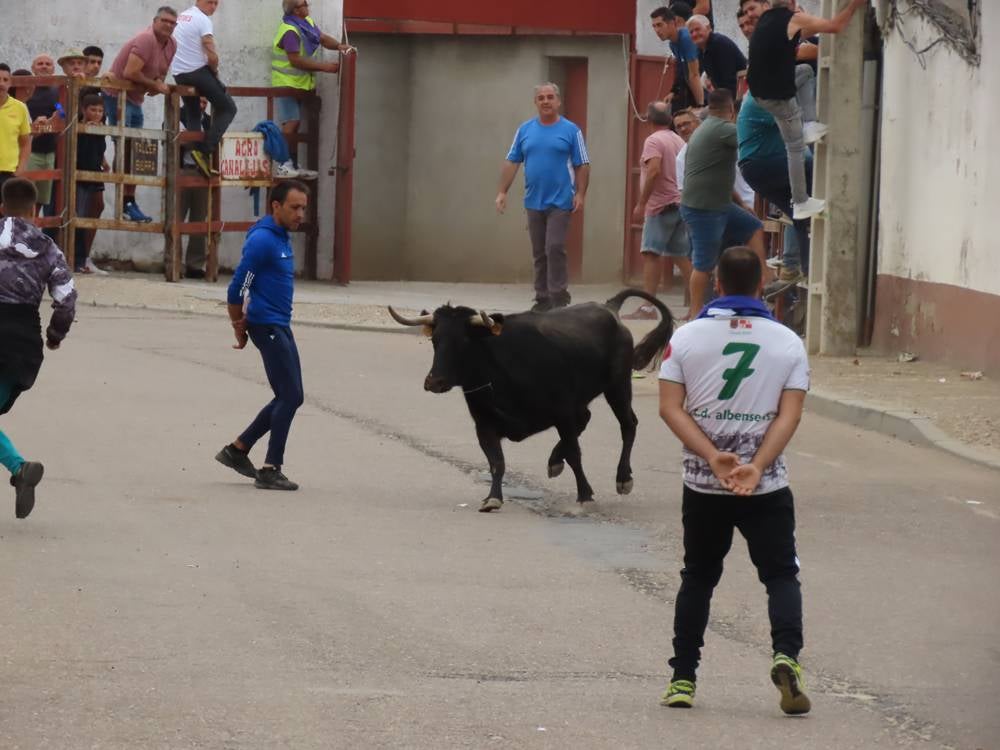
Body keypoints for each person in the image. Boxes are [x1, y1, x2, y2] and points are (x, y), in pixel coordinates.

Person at [657, 245, 810, 714]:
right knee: (781, 575)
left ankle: (683, 679)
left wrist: (712, 456)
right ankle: (786, 655)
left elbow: (669, 407)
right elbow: (789, 417)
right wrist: (757, 465)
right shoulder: (787, 342)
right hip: (765, 486)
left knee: (698, 577)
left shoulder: (684, 339)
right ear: (761, 284)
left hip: (705, 484)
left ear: (717, 283)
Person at [216, 180, 309, 491]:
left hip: (279, 324)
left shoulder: (281, 237)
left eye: (303, 208)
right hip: (266, 326)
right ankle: (270, 468)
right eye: (295, 207)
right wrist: (237, 324)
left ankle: (238, 449)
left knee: (291, 395)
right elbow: (239, 287)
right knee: (290, 395)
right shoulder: (263, 242)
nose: (300, 214)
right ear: (276, 206)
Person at [747, 0, 868, 219]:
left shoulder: (766, 19)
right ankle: (801, 202)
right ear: (793, 3)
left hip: (760, 92)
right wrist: (853, 6)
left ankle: (810, 124)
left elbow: (798, 36)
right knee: (794, 147)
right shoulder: (793, 18)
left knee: (804, 72)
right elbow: (835, 27)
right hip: (778, 96)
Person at [0, 177, 77, 519]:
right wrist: (54, 336)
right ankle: (19, 470)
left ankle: (19, 467)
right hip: (23, 345)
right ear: (35, 211)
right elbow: (66, 300)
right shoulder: (48, 249)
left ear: (2, 207)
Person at [496, 82, 590, 311]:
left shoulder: (571, 131)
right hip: (533, 201)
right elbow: (512, 161)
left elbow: (583, 164)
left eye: (550, 97)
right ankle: (542, 298)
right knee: (539, 252)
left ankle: (558, 294)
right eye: (541, 98)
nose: (546, 101)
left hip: (561, 201)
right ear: (536, 103)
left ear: (558, 101)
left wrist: (580, 193)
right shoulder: (525, 130)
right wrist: (502, 191)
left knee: (554, 246)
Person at [679, 91, 765, 319]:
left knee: (753, 226)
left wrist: (740, 204)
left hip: (717, 204)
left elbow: (720, 176)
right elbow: (751, 141)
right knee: (703, 265)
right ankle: (696, 315)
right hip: (705, 208)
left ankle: (762, 287)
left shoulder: (705, 129)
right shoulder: (723, 129)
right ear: (731, 110)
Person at [103, 6, 178, 223]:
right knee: (124, 146)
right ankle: (122, 200)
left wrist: (156, 85)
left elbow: (159, 77)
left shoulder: (172, 44)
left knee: (136, 150)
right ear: (155, 21)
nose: (168, 26)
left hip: (135, 99)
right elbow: (129, 72)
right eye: (164, 21)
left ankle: (129, 202)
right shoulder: (146, 39)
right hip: (117, 96)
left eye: (173, 23)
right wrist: (154, 84)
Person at [738, 91, 812, 290]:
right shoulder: (761, 99)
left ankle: (803, 268)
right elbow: (793, 121)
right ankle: (798, 265)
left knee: (799, 214)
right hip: (763, 164)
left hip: (756, 169)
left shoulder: (753, 99)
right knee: (810, 165)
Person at [271, 0, 353, 177]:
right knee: (291, 123)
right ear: (295, 10)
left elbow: (322, 38)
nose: (308, 7)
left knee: (295, 123)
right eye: (304, 4)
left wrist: (339, 46)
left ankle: (291, 163)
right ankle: (283, 164)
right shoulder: (290, 30)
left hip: (298, 84)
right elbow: (295, 60)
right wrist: (325, 67)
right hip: (286, 83)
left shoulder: (306, 24)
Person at [627, 101, 690, 320]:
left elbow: (653, 171)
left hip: (660, 205)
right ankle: (700, 303)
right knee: (682, 256)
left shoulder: (653, 140)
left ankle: (647, 308)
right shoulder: (678, 139)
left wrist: (642, 202)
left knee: (651, 254)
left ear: (648, 119)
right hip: (679, 203)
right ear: (670, 119)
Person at [171, 0, 238, 178]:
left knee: (193, 112)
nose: (213, 7)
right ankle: (205, 150)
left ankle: (194, 157)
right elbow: (211, 55)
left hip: (179, 73)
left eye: (216, 3)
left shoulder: (183, 16)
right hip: (196, 72)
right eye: (210, 2)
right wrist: (214, 72)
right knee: (229, 108)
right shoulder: (203, 20)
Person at [74, 93, 110, 274]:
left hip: (95, 173)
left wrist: (104, 161)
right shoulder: (79, 127)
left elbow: (99, 149)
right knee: (80, 215)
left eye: (100, 110)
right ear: (83, 110)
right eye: (93, 110)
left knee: (96, 208)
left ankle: (84, 258)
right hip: (81, 174)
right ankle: (78, 259)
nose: (97, 114)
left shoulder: (102, 128)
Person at [25, 55, 60, 217]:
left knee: (41, 199)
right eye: (40, 64)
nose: (44, 67)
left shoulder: (57, 92)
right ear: (33, 68)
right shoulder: (27, 91)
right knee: (26, 198)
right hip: (30, 152)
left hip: (50, 154)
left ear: (53, 69)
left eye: (48, 64)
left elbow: (62, 111)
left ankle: (31, 235)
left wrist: (57, 116)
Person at [650, 7, 704, 113]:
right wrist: (674, 91)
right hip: (693, 84)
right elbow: (681, 69)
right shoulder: (673, 44)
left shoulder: (686, 38)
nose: (657, 30)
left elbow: (694, 75)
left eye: (660, 25)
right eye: (654, 26)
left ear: (672, 23)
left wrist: (700, 105)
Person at [686, 15, 746, 101]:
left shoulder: (718, 43)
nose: (694, 34)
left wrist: (727, 105)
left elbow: (729, 79)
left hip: (741, 92)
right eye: (691, 32)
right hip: (725, 94)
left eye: (697, 29)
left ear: (708, 28)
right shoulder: (700, 49)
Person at [0, 64, 31, 200]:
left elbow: (25, 142)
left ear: (10, 83)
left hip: (9, 174)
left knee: (7, 219)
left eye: (5, 80)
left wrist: (20, 170)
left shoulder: (20, 108)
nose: (1, 84)